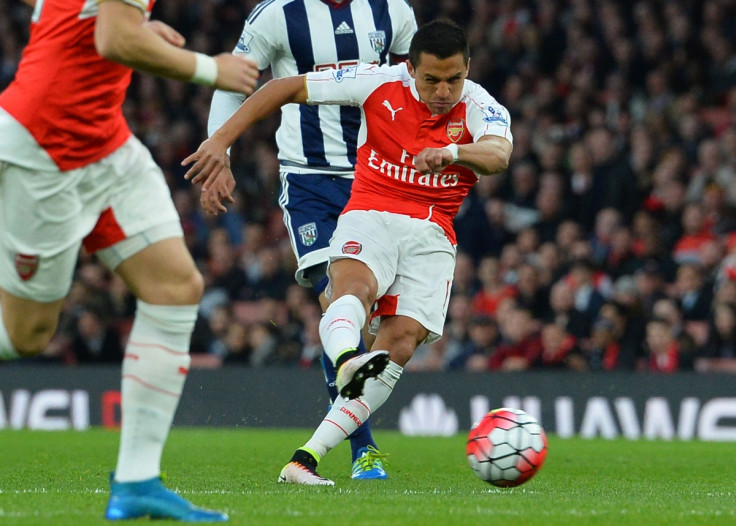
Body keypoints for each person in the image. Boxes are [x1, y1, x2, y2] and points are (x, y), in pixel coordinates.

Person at [184, 19, 513, 485]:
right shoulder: (378, 81)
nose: (443, 90)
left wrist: (456, 153)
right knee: (353, 289)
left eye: (453, 79)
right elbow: (282, 86)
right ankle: (345, 361)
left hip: (433, 233)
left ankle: (304, 460)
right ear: (409, 69)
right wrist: (220, 140)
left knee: (400, 342)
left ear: (467, 69)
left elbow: (498, 154)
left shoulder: (480, 104)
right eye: (432, 79)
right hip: (371, 211)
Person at [0, 0, 259, 521]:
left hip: (104, 144)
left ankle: (137, 481)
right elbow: (113, 44)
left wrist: (121, 19)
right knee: (25, 336)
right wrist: (214, 69)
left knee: (177, 287)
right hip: (45, 148)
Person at [205, 0, 417, 480]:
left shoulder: (393, 11)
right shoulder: (276, 15)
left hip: (377, 175)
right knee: (337, 297)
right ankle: (362, 447)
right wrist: (220, 148)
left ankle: (342, 421)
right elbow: (233, 80)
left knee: (375, 314)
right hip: (310, 180)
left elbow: (417, 86)